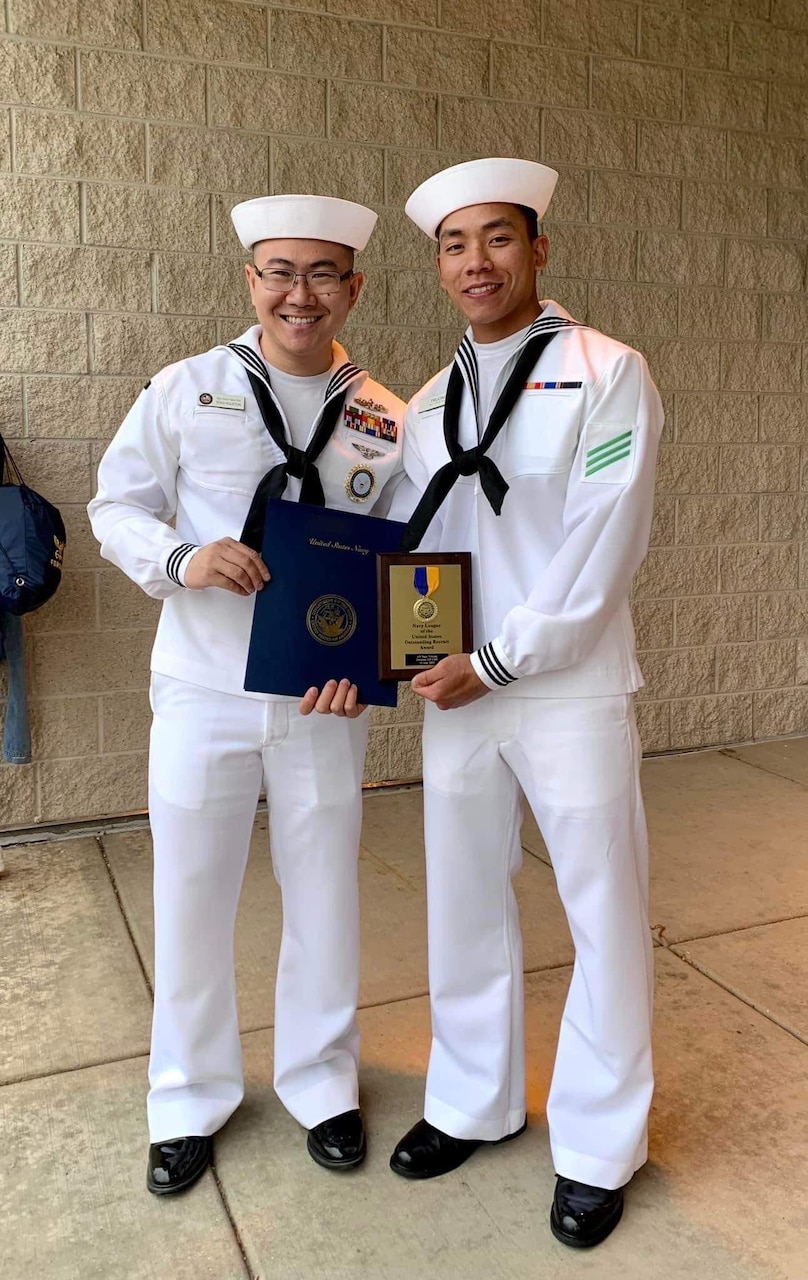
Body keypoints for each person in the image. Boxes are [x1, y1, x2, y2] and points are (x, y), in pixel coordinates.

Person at [88, 194, 406, 1195]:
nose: (298, 293)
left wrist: (376, 663)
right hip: (200, 686)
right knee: (190, 893)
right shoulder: (189, 387)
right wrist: (182, 553)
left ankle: (321, 1083)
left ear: (352, 287)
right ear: (250, 280)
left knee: (325, 893)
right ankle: (187, 1095)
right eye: (279, 270)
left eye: (321, 273)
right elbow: (114, 502)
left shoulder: (384, 416)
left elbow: (405, 559)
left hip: (319, 699)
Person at [387, 159, 663, 1248]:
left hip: (565, 689)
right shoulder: (421, 403)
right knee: (461, 897)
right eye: (454, 245)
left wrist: (500, 657)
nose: (474, 262)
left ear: (537, 248)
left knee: (601, 907)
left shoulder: (606, 371)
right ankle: (471, 1099)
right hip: (452, 691)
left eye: (496, 239)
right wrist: (395, 655)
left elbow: (605, 540)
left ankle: (599, 1145)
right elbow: (408, 551)